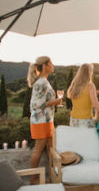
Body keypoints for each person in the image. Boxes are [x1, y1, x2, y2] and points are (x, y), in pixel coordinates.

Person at [27, 56, 62, 184]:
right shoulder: (41, 82)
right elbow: (38, 104)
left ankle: (53, 176)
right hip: (40, 121)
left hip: (46, 120)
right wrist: (56, 101)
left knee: (50, 148)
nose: (53, 65)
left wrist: (54, 103)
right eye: (51, 63)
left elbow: (44, 102)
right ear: (45, 66)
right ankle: (33, 178)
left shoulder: (43, 81)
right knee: (39, 148)